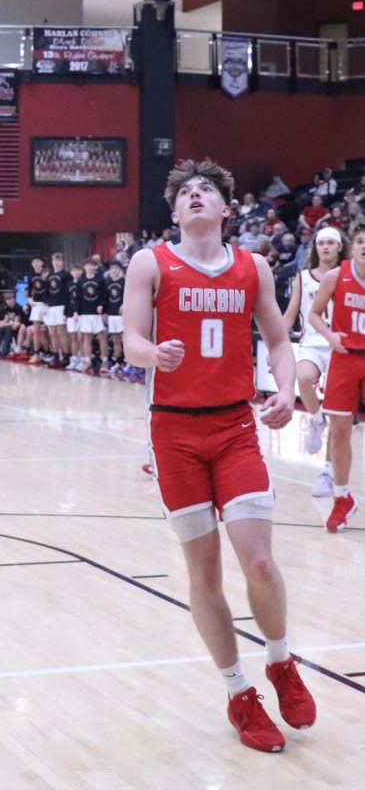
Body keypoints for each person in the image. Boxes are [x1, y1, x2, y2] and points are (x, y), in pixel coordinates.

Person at [123, 157, 316, 754]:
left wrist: (285, 391)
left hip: (235, 427)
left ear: (226, 209)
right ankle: (238, 693)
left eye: (208, 189)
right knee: (204, 573)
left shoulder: (252, 267)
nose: (198, 196)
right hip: (174, 433)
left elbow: (279, 342)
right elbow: (130, 340)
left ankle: (281, 662)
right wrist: (155, 355)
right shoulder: (150, 263)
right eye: (187, 192)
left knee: (258, 561)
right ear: (175, 211)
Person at [308, 220, 365, 532]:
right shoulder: (336, 275)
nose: (364, 247)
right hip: (344, 359)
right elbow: (314, 314)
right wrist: (330, 336)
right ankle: (342, 498)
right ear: (352, 247)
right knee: (340, 432)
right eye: (360, 242)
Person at [282, 226, 345, 496]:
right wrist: (278, 343)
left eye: (332, 243)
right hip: (312, 343)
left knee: (337, 412)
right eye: (322, 243)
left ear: (340, 247)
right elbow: (290, 313)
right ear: (316, 248)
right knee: (303, 378)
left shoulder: (348, 277)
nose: (327, 247)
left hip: (340, 348)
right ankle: (315, 419)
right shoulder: (303, 277)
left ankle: (328, 473)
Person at [76, 257, 109, 375]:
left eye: (91, 265)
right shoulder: (81, 281)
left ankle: (105, 361)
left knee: (102, 337)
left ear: (95, 267)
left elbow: (105, 295)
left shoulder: (100, 279)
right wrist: (76, 312)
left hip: (97, 313)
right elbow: (78, 298)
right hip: (85, 312)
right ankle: (87, 361)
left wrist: (102, 306)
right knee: (87, 337)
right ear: (84, 267)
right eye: (87, 265)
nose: (89, 267)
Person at [45, 252, 73, 367]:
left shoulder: (66, 275)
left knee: (62, 332)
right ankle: (56, 355)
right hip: (51, 306)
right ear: (52, 262)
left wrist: (67, 309)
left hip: (62, 306)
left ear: (63, 262)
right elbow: (47, 292)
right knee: (53, 333)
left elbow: (69, 293)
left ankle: (66, 356)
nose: (56, 263)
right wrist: (46, 305)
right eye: (54, 260)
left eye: (59, 260)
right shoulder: (49, 276)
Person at [26, 256, 48, 366]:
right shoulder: (30, 276)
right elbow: (29, 289)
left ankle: (54, 353)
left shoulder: (47, 273)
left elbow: (51, 289)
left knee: (53, 331)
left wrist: (47, 302)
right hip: (36, 305)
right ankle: (36, 354)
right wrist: (29, 299)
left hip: (47, 305)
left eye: (38, 261)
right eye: (34, 261)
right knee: (36, 330)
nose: (36, 263)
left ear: (42, 263)